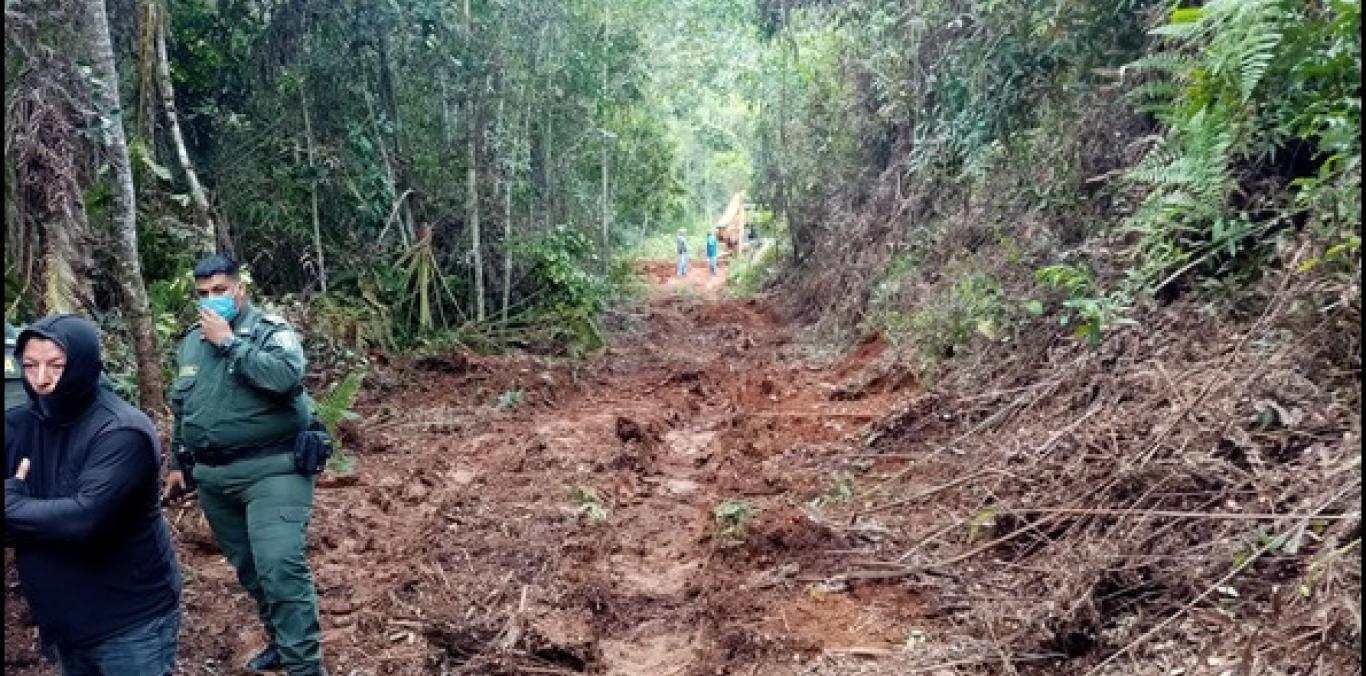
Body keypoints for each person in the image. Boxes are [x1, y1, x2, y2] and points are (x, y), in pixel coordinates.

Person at [162, 255, 327, 676]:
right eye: (203, 294)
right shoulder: (191, 342)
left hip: (274, 468)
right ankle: (280, 640)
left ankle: (304, 666)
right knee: (252, 571)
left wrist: (230, 342)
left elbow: (285, 379)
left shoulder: (271, 330)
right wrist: (180, 461)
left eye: (220, 290)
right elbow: (183, 406)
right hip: (214, 477)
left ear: (240, 289)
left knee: (280, 567)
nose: (211, 300)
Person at [5, 314, 182, 675]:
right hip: (65, 621)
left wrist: (12, 504)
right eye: (29, 365)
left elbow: (82, 519)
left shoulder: (121, 431)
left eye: (56, 366)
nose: (41, 379)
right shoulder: (20, 425)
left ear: (83, 365)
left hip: (129, 620)